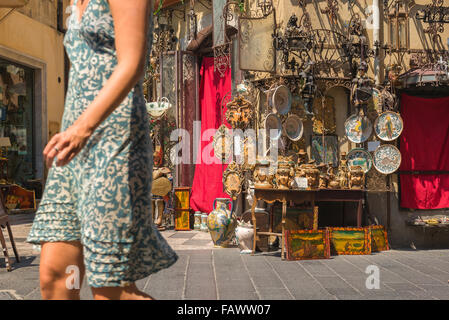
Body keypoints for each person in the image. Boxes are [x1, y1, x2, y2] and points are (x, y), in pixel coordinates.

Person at [26, 0, 178, 300]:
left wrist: (82, 128)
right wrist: (74, 131)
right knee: (56, 276)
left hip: (114, 139)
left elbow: (132, 64)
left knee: (112, 289)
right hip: (73, 143)